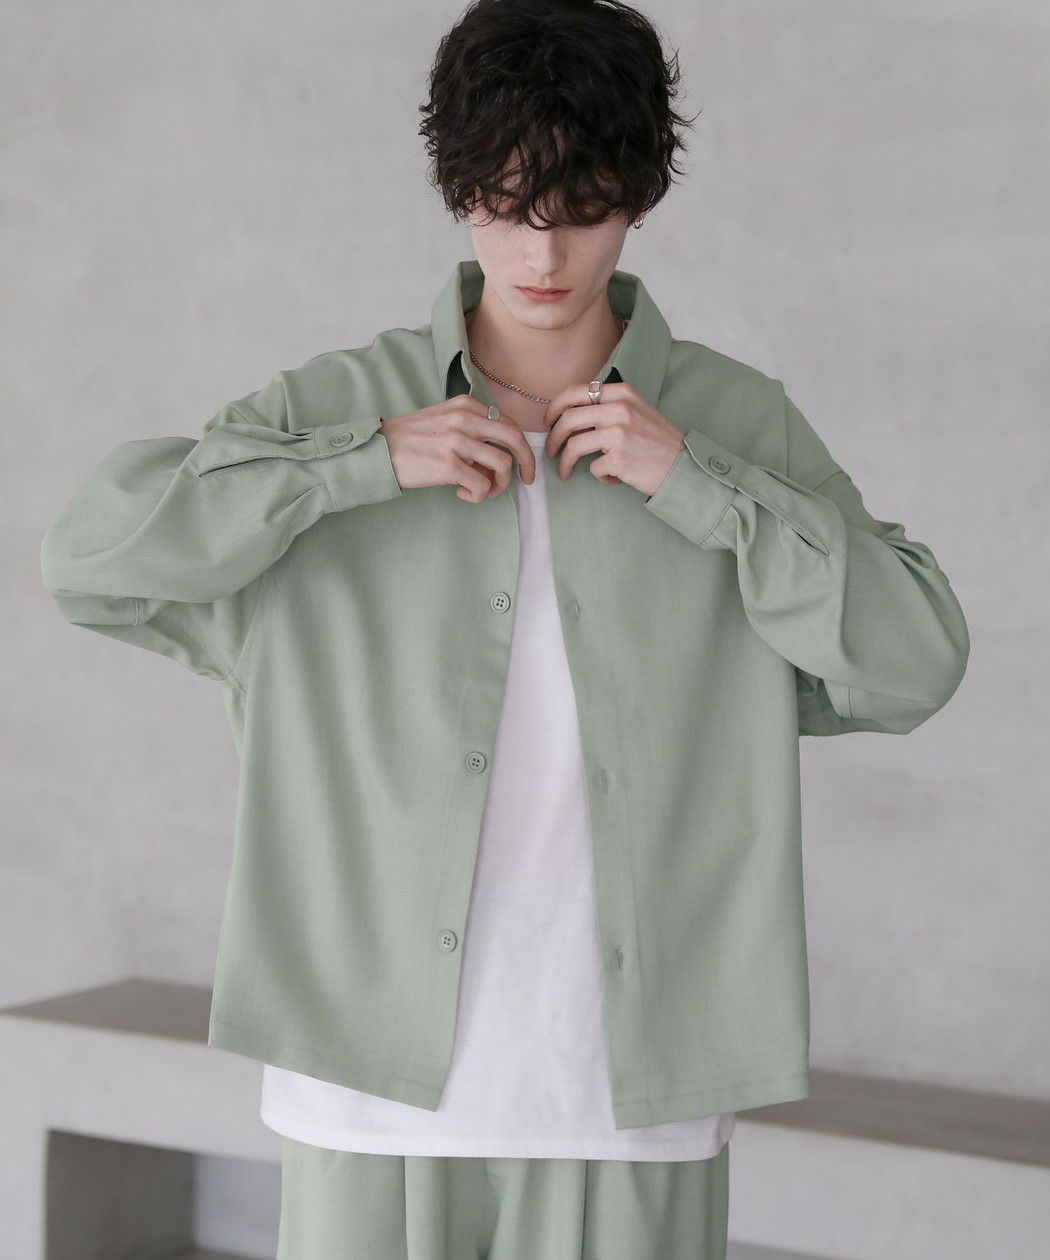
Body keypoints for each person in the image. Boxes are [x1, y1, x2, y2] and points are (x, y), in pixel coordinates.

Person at [38, 1, 970, 1256]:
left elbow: (915, 660)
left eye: (582, 205)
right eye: (506, 202)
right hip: (366, 1092)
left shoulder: (732, 426)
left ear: (639, 196)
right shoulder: (341, 409)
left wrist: (698, 484)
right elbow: (91, 559)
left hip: (629, 1101)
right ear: (458, 189)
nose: (543, 250)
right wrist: (356, 465)